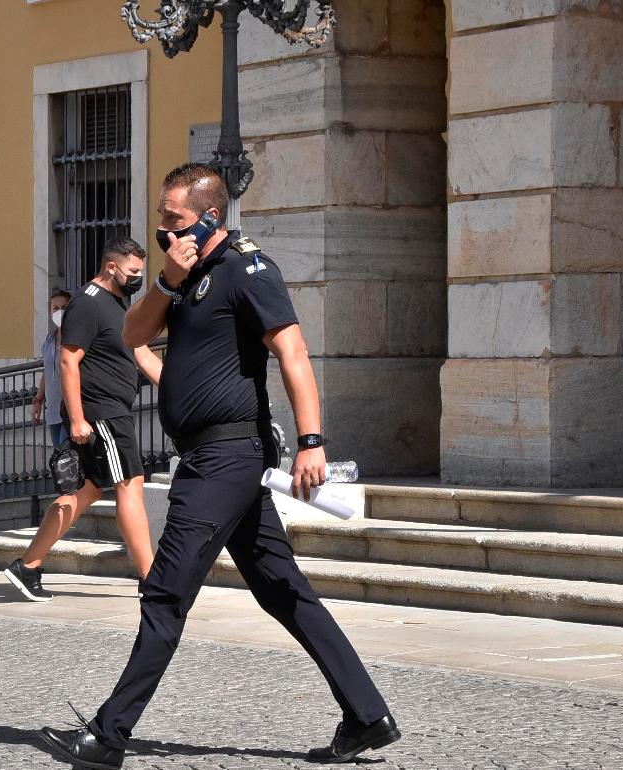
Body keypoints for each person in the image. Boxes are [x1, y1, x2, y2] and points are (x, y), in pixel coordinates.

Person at [38, 164, 399, 767]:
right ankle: (367, 716)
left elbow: (293, 351)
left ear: (209, 217)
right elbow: (132, 333)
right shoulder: (188, 277)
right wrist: (167, 280)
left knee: (165, 594)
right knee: (285, 592)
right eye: (160, 216)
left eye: (172, 218)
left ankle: (107, 735)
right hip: (214, 460)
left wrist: (312, 440)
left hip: (225, 460)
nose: (161, 227)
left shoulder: (247, 270)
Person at [3, 237, 164, 603]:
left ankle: (27, 566)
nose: (139, 278)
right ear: (112, 267)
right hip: (100, 413)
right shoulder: (87, 304)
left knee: (85, 491)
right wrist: (76, 419)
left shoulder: (117, 304)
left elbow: (141, 352)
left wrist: (177, 387)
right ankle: (151, 579)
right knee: (130, 483)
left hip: (110, 411)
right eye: (134, 271)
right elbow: (67, 360)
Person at [33, 287, 72, 448]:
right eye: (55, 308)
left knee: (66, 454)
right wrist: (38, 400)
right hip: (53, 412)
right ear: (49, 312)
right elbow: (47, 372)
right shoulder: (49, 340)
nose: (59, 312)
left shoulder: (77, 336)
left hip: (71, 410)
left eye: (64, 307)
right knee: (60, 460)